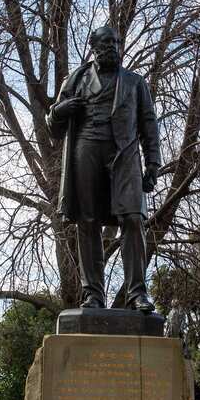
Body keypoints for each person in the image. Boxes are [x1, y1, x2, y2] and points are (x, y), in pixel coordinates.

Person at [49, 25, 162, 311]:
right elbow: (54, 127)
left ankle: (138, 293)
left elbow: (149, 124)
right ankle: (93, 294)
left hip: (124, 156)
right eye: (107, 42)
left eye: (116, 42)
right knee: (87, 222)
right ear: (94, 46)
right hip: (85, 151)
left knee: (133, 219)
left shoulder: (135, 83)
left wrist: (153, 163)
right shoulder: (75, 80)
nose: (113, 46)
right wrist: (60, 111)